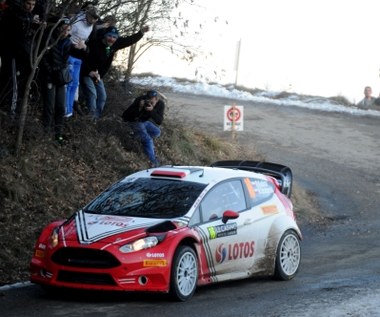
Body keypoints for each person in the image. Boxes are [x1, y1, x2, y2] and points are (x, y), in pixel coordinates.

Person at [80, 25, 149, 119]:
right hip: (86, 73)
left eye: (114, 37)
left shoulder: (115, 44)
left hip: (97, 76)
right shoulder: (94, 43)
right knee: (92, 94)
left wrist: (141, 32)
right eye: (109, 36)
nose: (111, 39)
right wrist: (89, 71)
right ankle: (90, 118)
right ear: (105, 36)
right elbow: (82, 58)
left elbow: (129, 40)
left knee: (102, 96)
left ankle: (95, 118)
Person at [39, 17, 87, 144]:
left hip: (60, 78)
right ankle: (45, 134)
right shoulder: (49, 39)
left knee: (60, 107)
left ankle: (58, 135)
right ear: (58, 28)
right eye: (63, 29)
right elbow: (42, 59)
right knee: (49, 107)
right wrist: (50, 71)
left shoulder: (67, 43)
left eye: (68, 30)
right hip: (49, 77)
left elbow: (81, 55)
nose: (65, 32)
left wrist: (83, 48)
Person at [0, 0, 41, 113]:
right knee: (12, 83)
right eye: (28, 3)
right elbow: (15, 31)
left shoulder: (28, 15)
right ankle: (10, 112)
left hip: (23, 56)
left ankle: (14, 111)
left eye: (33, 5)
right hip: (12, 53)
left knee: (19, 83)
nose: (30, 7)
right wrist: (31, 22)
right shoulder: (13, 12)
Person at [65, 5, 99, 117]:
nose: (94, 20)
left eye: (96, 18)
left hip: (79, 57)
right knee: (68, 83)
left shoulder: (92, 26)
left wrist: (84, 47)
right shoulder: (76, 21)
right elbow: (64, 35)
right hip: (69, 54)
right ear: (87, 14)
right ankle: (65, 109)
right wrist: (72, 46)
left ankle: (70, 110)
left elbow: (90, 45)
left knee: (75, 83)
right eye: (92, 17)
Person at [122, 90, 165, 167]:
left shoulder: (160, 104)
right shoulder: (140, 100)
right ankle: (153, 161)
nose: (149, 101)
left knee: (157, 132)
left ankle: (138, 138)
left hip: (144, 122)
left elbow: (159, 121)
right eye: (148, 98)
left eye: (152, 99)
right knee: (148, 140)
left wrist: (152, 110)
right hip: (133, 121)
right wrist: (139, 108)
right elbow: (126, 115)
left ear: (156, 99)